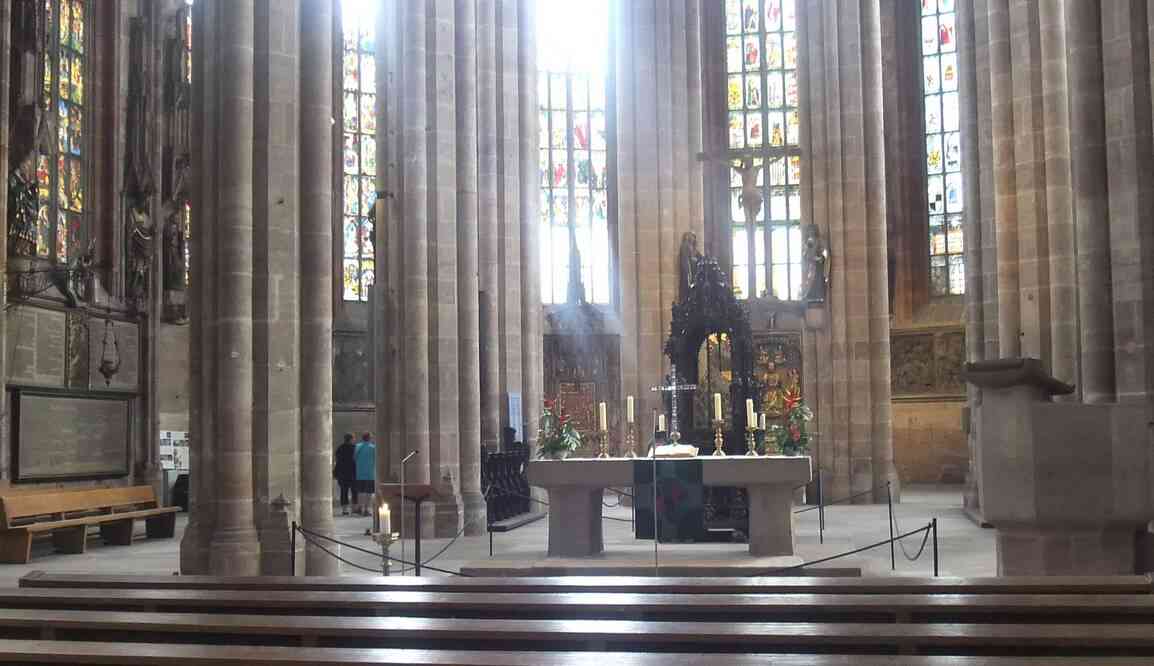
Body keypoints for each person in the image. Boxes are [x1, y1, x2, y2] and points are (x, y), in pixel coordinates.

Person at [333, 433, 357, 516]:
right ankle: (353, 509)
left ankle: (344, 510)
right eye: (353, 438)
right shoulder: (354, 448)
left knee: (344, 492)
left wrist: (336, 473)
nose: (354, 440)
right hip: (352, 472)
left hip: (342, 473)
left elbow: (338, 461)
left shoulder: (340, 448)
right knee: (354, 491)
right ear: (350, 439)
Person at [353, 432, 377, 516]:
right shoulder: (373, 448)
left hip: (360, 473)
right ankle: (366, 509)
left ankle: (360, 508)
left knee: (360, 491)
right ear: (370, 438)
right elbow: (376, 459)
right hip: (370, 473)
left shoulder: (357, 446)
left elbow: (354, 458)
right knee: (369, 492)